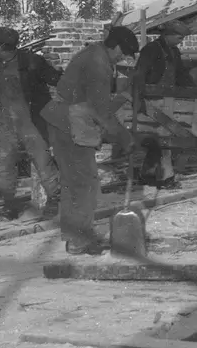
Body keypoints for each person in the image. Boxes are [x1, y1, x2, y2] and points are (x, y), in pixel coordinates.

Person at [40, 26, 140, 255]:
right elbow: (100, 109)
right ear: (114, 46)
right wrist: (124, 136)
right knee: (83, 182)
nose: (122, 59)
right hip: (69, 124)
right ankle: (78, 240)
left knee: (78, 181)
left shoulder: (95, 55)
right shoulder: (98, 63)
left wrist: (122, 93)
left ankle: (76, 236)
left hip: (66, 120)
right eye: (122, 54)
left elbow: (93, 97)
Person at [0, 26, 63, 221]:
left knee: (42, 161)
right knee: (4, 165)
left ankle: (55, 200)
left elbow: (56, 80)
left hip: (31, 121)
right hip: (6, 122)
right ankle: (9, 205)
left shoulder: (32, 62)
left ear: (3, 45)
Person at [132, 20, 196, 189]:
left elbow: (180, 74)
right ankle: (167, 178)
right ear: (167, 35)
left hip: (168, 100)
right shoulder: (151, 50)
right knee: (164, 139)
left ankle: (147, 173)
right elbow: (139, 75)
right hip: (151, 100)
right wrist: (139, 99)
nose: (180, 40)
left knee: (159, 139)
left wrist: (195, 91)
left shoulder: (174, 51)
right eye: (178, 37)